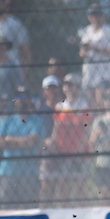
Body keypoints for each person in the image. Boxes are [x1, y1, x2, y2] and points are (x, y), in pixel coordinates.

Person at [40, 73, 89, 205]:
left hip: (80, 154)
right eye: (66, 85)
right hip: (63, 153)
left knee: (80, 192)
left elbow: (86, 132)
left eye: (72, 85)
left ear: (78, 88)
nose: (69, 88)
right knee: (64, 192)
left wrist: (77, 152)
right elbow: (56, 130)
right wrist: (52, 146)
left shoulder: (84, 106)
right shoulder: (60, 107)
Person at [0, 89, 47, 206]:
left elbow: (31, 142)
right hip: (7, 172)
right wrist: (22, 141)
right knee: (7, 209)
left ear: (29, 100)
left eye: (23, 96)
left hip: (29, 172)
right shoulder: (7, 121)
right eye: (17, 96)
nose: (19, 100)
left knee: (30, 208)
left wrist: (9, 139)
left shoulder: (37, 121)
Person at [79, 4, 110, 95]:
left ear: (103, 16)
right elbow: (81, 52)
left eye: (98, 15)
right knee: (91, 98)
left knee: (101, 97)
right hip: (89, 70)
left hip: (105, 71)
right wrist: (84, 51)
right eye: (92, 16)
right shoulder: (87, 30)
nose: (95, 18)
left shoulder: (108, 30)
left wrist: (95, 48)